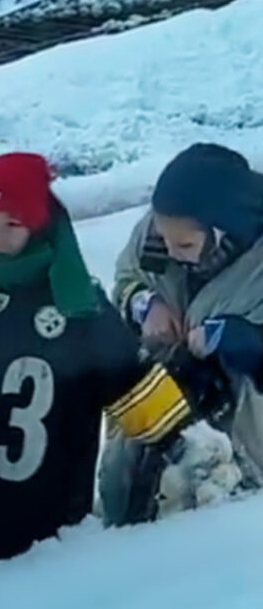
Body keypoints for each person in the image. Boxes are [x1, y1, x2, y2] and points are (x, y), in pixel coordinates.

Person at [0, 151, 227, 573]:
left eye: (13, 225)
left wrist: (184, 445)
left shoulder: (75, 301)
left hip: (62, 534)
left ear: (38, 228)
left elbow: (131, 384)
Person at [103, 142, 263, 524]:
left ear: (224, 229)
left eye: (186, 244)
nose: (171, 252)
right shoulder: (161, 228)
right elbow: (127, 277)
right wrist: (144, 304)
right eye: (165, 238)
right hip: (154, 396)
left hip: (245, 430)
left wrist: (239, 339)